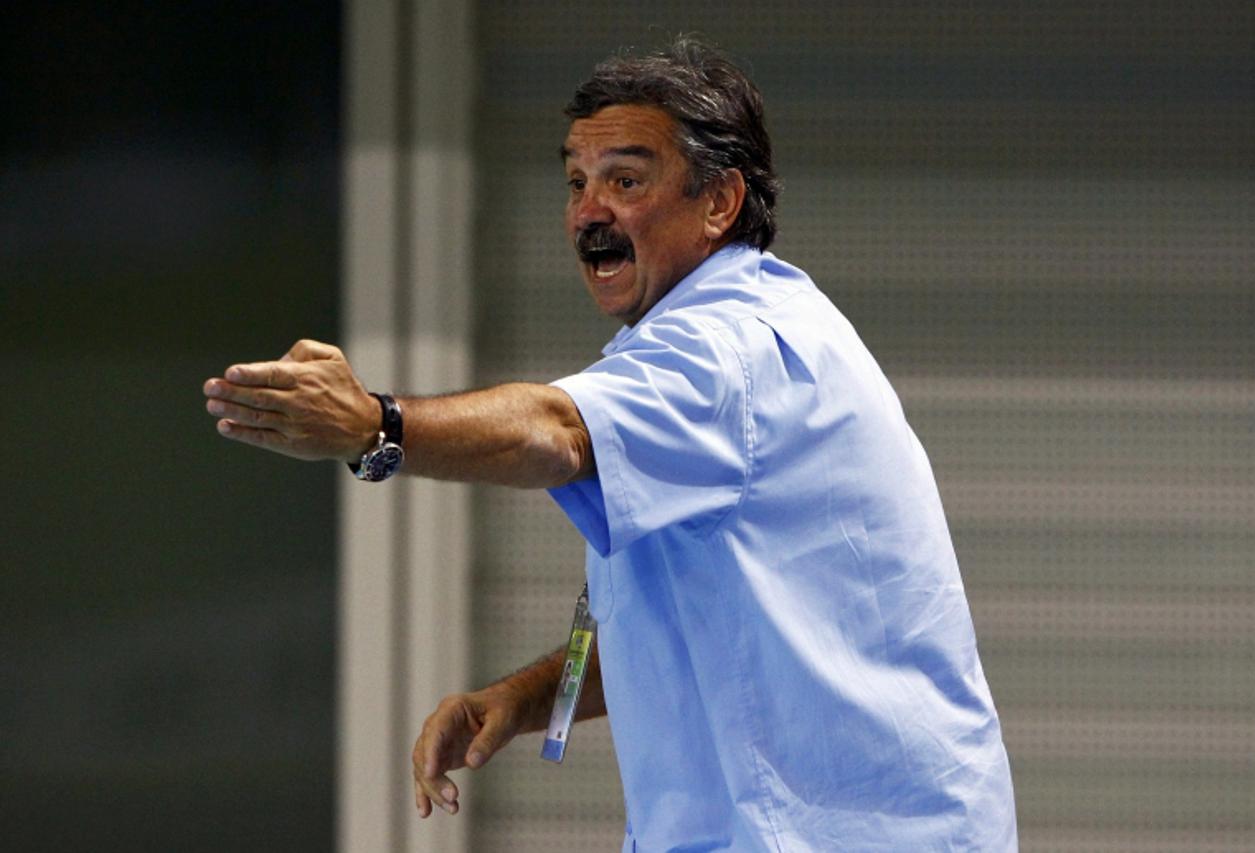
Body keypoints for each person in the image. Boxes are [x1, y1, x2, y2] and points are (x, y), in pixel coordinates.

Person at [204, 37, 1017, 852]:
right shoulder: (727, 342)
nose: (588, 211)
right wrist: (524, 700)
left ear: (719, 202)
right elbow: (678, 628)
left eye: (625, 180)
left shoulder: (726, 354)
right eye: (575, 182)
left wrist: (376, 427)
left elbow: (550, 430)